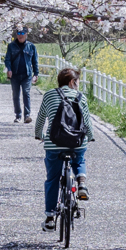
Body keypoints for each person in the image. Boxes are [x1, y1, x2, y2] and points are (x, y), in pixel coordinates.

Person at [34, 67, 93, 232]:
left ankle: (50, 217)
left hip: (54, 144)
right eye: (78, 82)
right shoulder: (81, 97)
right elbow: (87, 123)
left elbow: (40, 120)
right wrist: (91, 136)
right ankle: (81, 184)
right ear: (73, 82)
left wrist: (39, 135)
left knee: (52, 179)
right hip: (77, 143)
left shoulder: (49, 95)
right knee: (80, 159)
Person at [4, 28, 39, 124]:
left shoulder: (31, 46)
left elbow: (35, 61)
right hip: (15, 74)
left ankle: (27, 115)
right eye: (18, 33)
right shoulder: (11, 46)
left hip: (26, 75)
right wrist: (9, 69)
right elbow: (7, 59)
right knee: (16, 95)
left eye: (22, 33)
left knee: (26, 93)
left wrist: (36, 74)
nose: (20, 35)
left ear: (26, 34)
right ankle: (18, 115)